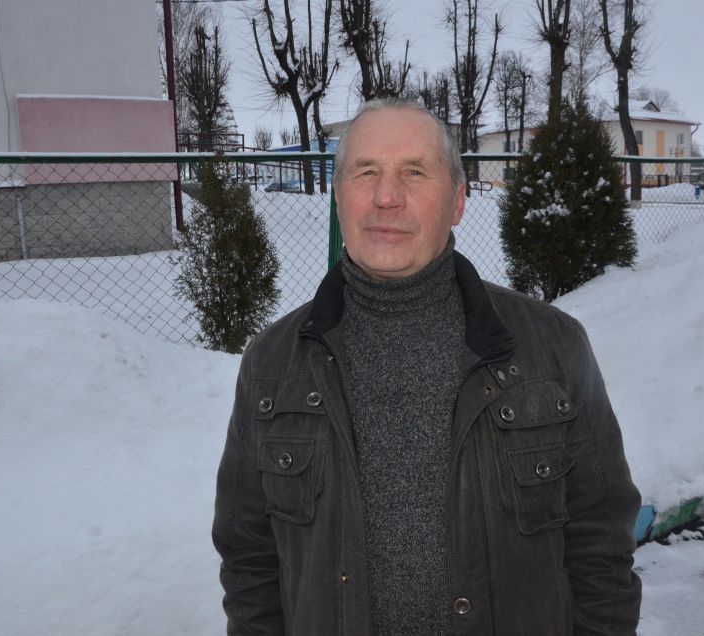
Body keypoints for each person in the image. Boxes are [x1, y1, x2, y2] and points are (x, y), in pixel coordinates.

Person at [212, 99, 642, 635]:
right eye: (365, 172)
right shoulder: (272, 363)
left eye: (415, 172)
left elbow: (602, 544)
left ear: (458, 201)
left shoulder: (552, 346)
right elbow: (249, 558)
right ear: (339, 195)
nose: (386, 197)